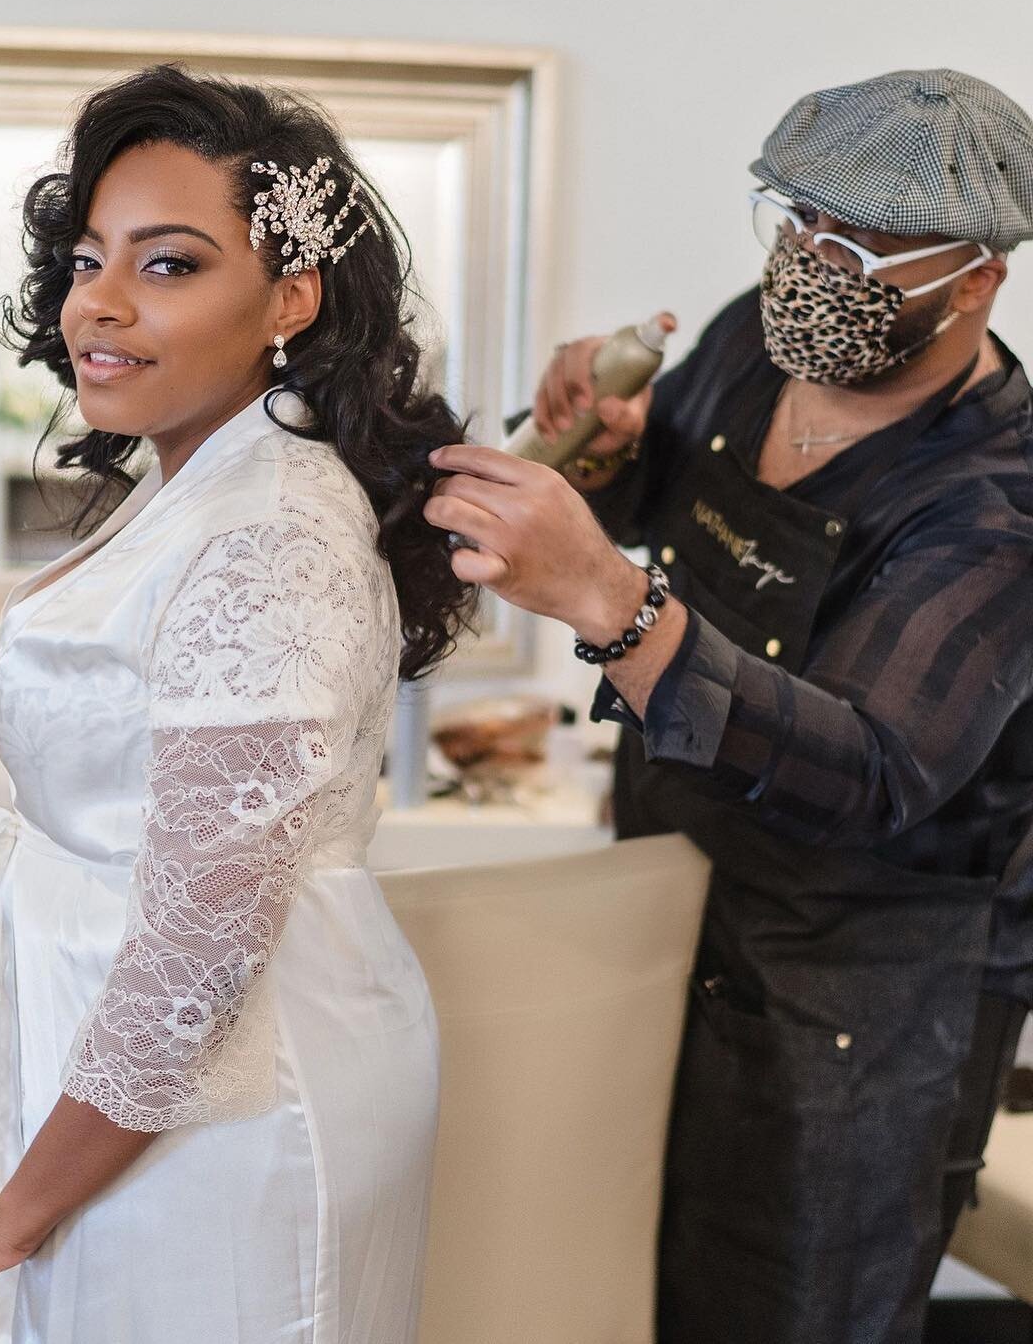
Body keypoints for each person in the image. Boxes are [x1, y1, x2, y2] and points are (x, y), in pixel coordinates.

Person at [422, 68, 1033, 1343]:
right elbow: (667, 500)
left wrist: (607, 602)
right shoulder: (759, 344)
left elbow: (869, 768)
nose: (816, 262)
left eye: (864, 245)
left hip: (854, 1008)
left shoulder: (996, 506)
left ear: (978, 279)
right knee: (632, 1282)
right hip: (673, 904)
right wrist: (598, 450)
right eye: (800, 222)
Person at [0, 64, 476, 1343]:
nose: (99, 301)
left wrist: (15, 1207)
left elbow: (205, 938)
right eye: (91, 257)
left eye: (168, 265)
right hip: (145, 1067)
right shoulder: (208, 482)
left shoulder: (270, 524)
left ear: (289, 295)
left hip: (229, 1097)